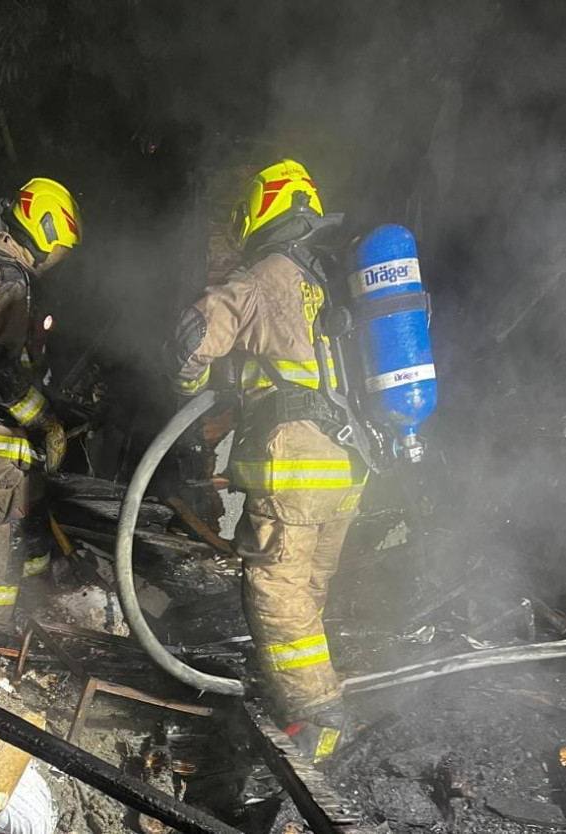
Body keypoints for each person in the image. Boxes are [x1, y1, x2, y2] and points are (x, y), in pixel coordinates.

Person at [166, 160, 366, 763]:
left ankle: (317, 717)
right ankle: (298, 694)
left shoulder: (263, 278)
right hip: (351, 466)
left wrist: (189, 385)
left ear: (260, 212)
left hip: (297, 468)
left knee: (275, 591)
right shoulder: (332, 275)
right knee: (306, 590)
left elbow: (190, 337)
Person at [0, 177, 81, 643]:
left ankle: (32, 606)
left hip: (8, 429)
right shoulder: (3, 278)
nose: (60, 258)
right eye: (62, 246)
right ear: (45, 230)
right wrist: (42, 418)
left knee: (26, 517)